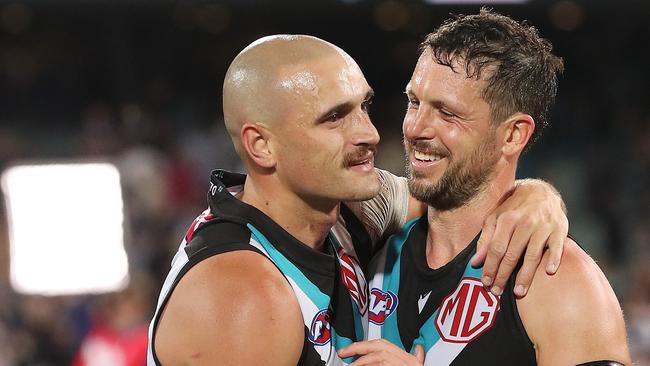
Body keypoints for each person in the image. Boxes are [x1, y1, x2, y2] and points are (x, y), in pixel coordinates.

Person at [147, 35, 568, 365]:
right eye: (334, 117)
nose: (368, 134)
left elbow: (456, 200)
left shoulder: (343, 209)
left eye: (363, 107)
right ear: (261, 146)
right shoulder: (244, 295)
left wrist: (534, 196)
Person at [341, 9, 631, 365]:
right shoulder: (371, 235)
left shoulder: (559, 282)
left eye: (447, 114)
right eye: (414, 102)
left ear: (512, 135)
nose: (416, 127)